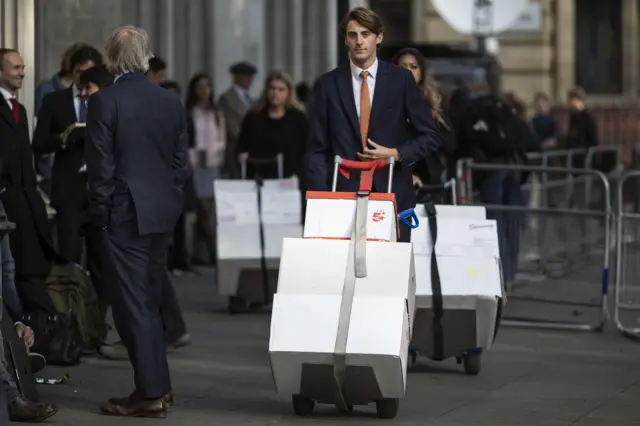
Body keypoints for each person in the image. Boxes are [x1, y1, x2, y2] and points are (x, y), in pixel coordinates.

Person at [85, 26, 189, 418]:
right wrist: (170, 196)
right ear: (146, 57)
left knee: (134, 306)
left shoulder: (104, 101)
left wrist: (102, 213)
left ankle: (150, 393)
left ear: (111, 58)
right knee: (147, 302)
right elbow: (181, 164)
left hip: (124, 213)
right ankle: (158, 389)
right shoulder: (169, 102)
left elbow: (100, 168)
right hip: (161, 211)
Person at [306, 7, 439, 242]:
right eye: (352, 35)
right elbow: (316, 148)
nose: (359, 41)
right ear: (345, 40)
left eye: (365, 34)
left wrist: (397, 153)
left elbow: (429, 136)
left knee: (389, 271)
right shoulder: (328, 85)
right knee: (342, 272)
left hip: (391, 189)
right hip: (342, 193)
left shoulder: (401, 80)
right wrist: (321, 197)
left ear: (379, 38)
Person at [0, 49, 61, 317]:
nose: (22, 73)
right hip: (5, 202)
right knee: (12, 268)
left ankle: (40, 325)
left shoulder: (20, 109)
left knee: (30, 265)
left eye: (22, 67)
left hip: (27, 201)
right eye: (15, 68)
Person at [33, 45, 103, 264]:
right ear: (72, 71)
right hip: (68, 186)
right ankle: (72, 297)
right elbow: (38, 144)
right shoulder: (54, 101)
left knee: (101, 256)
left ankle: (100, 299)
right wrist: (62, 139)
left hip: (100, 187)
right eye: (80, 72)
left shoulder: (106, 101)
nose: (83, 78)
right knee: (69, 252)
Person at [392, 48, 455, 197]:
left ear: (421, 73)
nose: (407, 71)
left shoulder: (432, 104)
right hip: (394, 179)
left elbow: (450, 143)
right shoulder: (383, 102)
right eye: (402, 66)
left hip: (429, 184)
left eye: (413, 67)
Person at [237, 70, 308, 180]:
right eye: (272, 88)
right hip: (259, 179)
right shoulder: (253, 118)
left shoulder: (298, 119)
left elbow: (307, 152)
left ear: (288, 92)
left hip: (289, 180)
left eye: (281, 90)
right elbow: (241, 146)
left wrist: (299, 174)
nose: (275, 93)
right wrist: (241, 155)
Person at [218, 61, 257, 177]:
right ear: (237, 77)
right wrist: (247, 138)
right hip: (235, 147)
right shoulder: (227, 98)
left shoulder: (250, 98)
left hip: (250, 149)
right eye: (246, 76)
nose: (249, 80)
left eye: (251, 77)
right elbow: (230, 125)